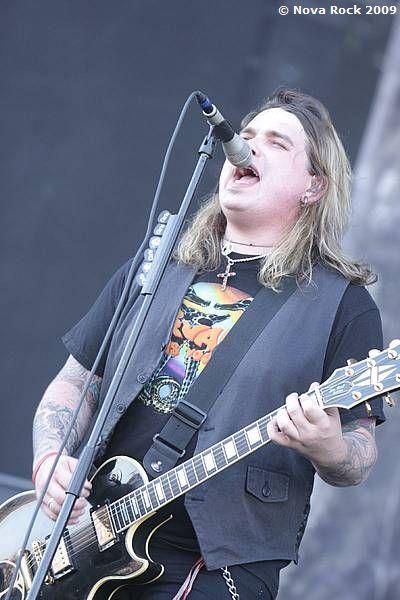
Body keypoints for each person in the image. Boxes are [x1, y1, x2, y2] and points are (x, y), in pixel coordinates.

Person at [32, 88, 385, 599]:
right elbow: (77, 381)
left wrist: (328, 446)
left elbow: (360, 453)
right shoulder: (156, 265)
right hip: (90, 540)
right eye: (246, 135)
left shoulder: (342, 305)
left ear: (314, 186)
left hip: (216, 562)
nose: (248, 145)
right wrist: (49, 459)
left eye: (277, 142)